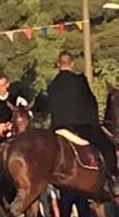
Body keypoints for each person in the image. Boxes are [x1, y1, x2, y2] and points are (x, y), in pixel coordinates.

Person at [47, 51, 118, 195]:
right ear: (72, 64)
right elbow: (90, 103)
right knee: (107, 147)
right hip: (79, 126)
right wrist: (94, 121)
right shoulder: (80, 80)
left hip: (57, 128)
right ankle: (113, 179)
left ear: (58, 65)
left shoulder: (52, 85)